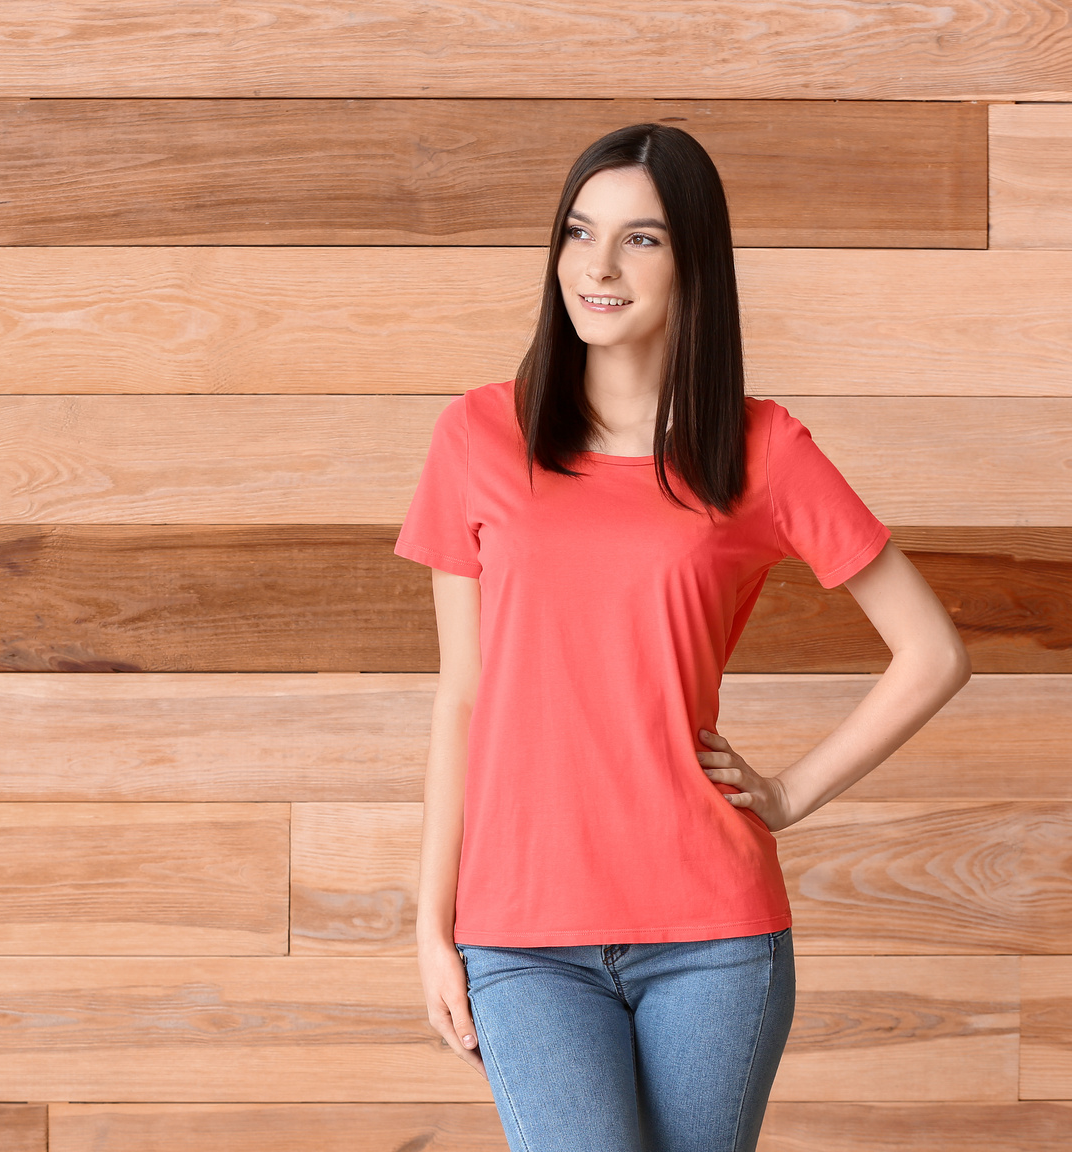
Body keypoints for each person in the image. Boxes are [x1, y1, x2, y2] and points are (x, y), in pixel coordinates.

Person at [394, 123, 972, 1152]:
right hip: (522, 935)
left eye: (642, 239)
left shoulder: (762, 450)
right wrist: (431, 928)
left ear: (694, 263)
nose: (599, 266)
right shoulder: (478, 437)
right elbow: (463, 698)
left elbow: (933, 652)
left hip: (713, 935)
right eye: (579, 232)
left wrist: (788, 795)